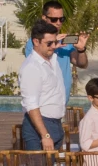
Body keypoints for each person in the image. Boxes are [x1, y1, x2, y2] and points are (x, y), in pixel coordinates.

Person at [20, 22, 68, 152]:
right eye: (49, 43)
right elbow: (31, 105)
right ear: (36, 41)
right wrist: (45, 135)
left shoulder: (52, 59)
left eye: (54, 42)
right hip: (40, 126)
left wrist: (54, 46)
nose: (53, 46)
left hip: (56, 124)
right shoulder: (32, 67)